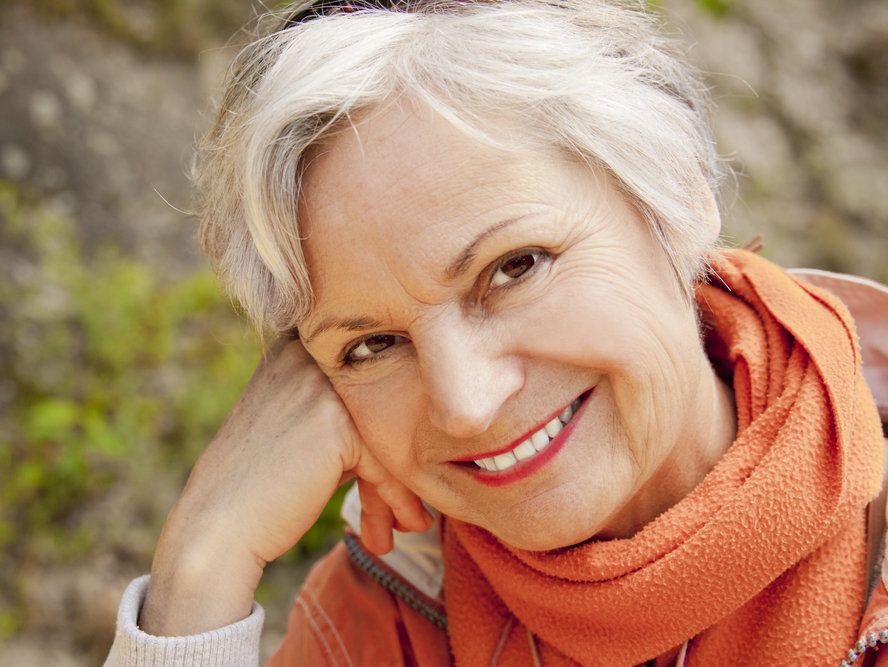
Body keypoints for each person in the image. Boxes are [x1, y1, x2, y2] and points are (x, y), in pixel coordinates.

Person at [105, 0, 888, 664]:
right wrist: (201, 569)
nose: (466, 403)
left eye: (513, 268)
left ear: (678, 188)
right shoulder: (378, 625)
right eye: (370, 345)